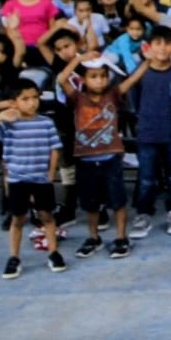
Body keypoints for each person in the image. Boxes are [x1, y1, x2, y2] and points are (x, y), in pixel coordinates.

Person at [0, 79, 64, 278]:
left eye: (35, 98)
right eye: (25, 99)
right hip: (17, 179)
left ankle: (54, 252)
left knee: (47, 216)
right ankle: (14, 257)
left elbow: (54, 149)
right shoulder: (8, 125)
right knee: (18, 218)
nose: (32, 103)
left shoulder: (46, 123)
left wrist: (51, 173)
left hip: (40, 178)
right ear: (14, 102)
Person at [117, 26, 171, 235]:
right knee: (147, 178)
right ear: (148, 46)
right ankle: (144, 213)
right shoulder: (141, 72)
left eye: (168, 43)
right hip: (147, 133)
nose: (162, 48)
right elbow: (134, 99)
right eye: (157, 43)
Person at [60, 54, 132, 258]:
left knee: (117, 200)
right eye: (93, 76)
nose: (99, 80)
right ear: (83, 79)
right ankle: (93, 237)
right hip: (85, 160)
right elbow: (62, 79)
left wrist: (148, 62)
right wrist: (79, 58)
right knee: (90, 203)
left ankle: (121, 237)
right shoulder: (77, 98)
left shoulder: (113, 95)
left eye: (103, 76)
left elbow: (131, 80)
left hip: (111, 159)